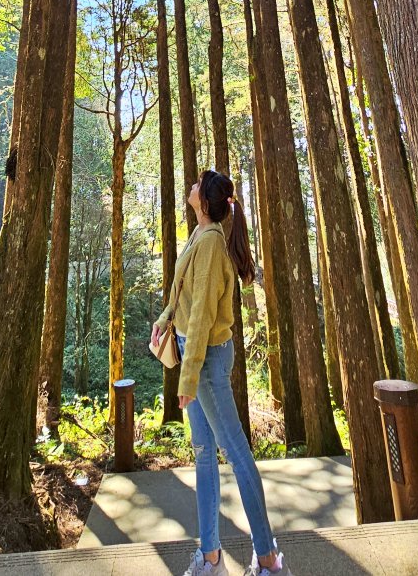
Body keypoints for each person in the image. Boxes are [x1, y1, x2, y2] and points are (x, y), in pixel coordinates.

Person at [151, 169, 292, 576]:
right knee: (203, 455)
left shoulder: (212, 243)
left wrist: (188, 377)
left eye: (196, 184)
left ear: (205, 200)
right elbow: (185, 295)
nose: (190, 188)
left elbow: (203, 316)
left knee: (236, 454)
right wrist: (164, 319)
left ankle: (267, 559)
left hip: (207, 361)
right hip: (197, 354)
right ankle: (211, 557)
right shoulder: (201, 235)